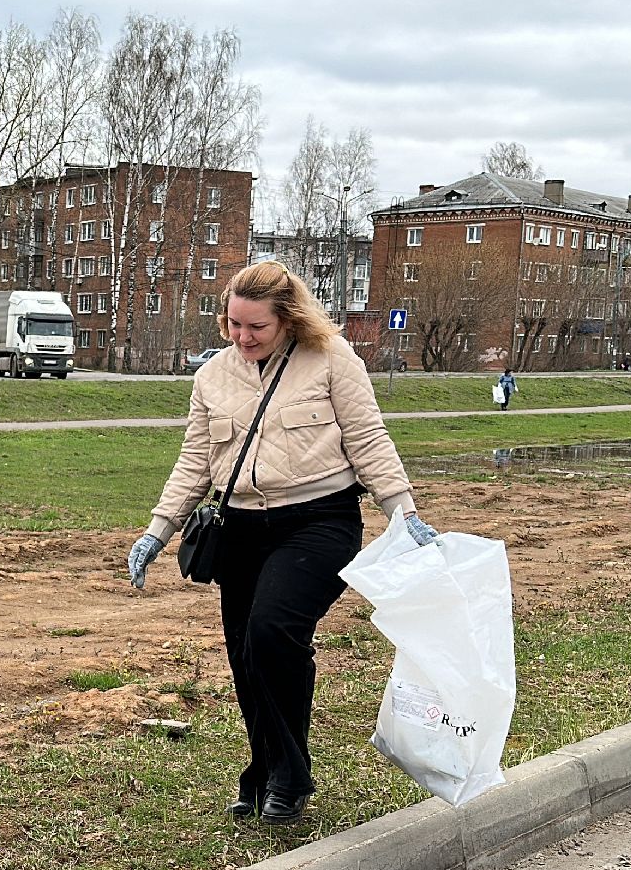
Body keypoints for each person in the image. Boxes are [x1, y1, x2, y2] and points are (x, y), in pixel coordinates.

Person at [126, 260, 437, 826]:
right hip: (241, 529)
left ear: (288, 319)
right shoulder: (213, 376)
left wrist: (403, 512)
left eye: (257, 327)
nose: (243, 337)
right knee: (246, 654)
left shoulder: (332, 359)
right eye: (233, 324)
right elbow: (196, 461)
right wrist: (158, 529)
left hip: (318, 522)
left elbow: (368, 439)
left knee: (272, 632)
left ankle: (290, 776)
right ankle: (264, 768)